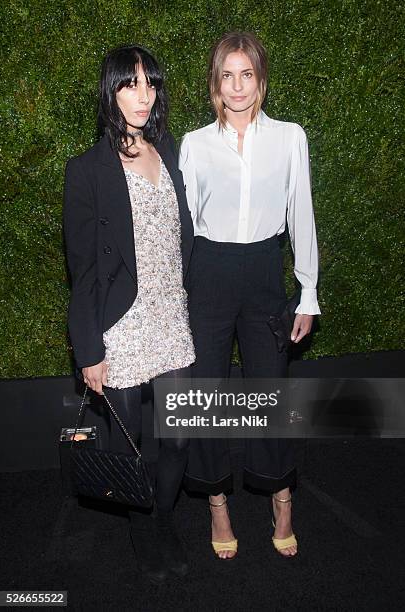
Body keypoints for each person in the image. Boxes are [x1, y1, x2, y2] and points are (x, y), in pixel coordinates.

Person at [179, 31, 321, 559]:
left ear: (260, 79)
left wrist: (307, 290)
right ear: (215, 82)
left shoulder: (289, 137)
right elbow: (185, 227)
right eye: (226, 75)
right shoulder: (195, 144)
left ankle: (281, 498)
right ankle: (218, 504)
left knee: (269, 391)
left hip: (264, 270)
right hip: (209, 274)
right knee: (206, 396)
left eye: (247, 74)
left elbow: (300, 213)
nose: (237, 86)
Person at [63, 44, 195, 582]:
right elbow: (83, 269)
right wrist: (89, 349)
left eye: (150, 83)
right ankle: (146, 535)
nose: (143, 95)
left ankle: (162, 519)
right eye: (130, 84)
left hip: (172, 318)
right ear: (110, 91)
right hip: (121, 327)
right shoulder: (88, 170)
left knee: (181, 436)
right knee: (133, 445)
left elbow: (180, 238)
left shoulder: (169, 152)